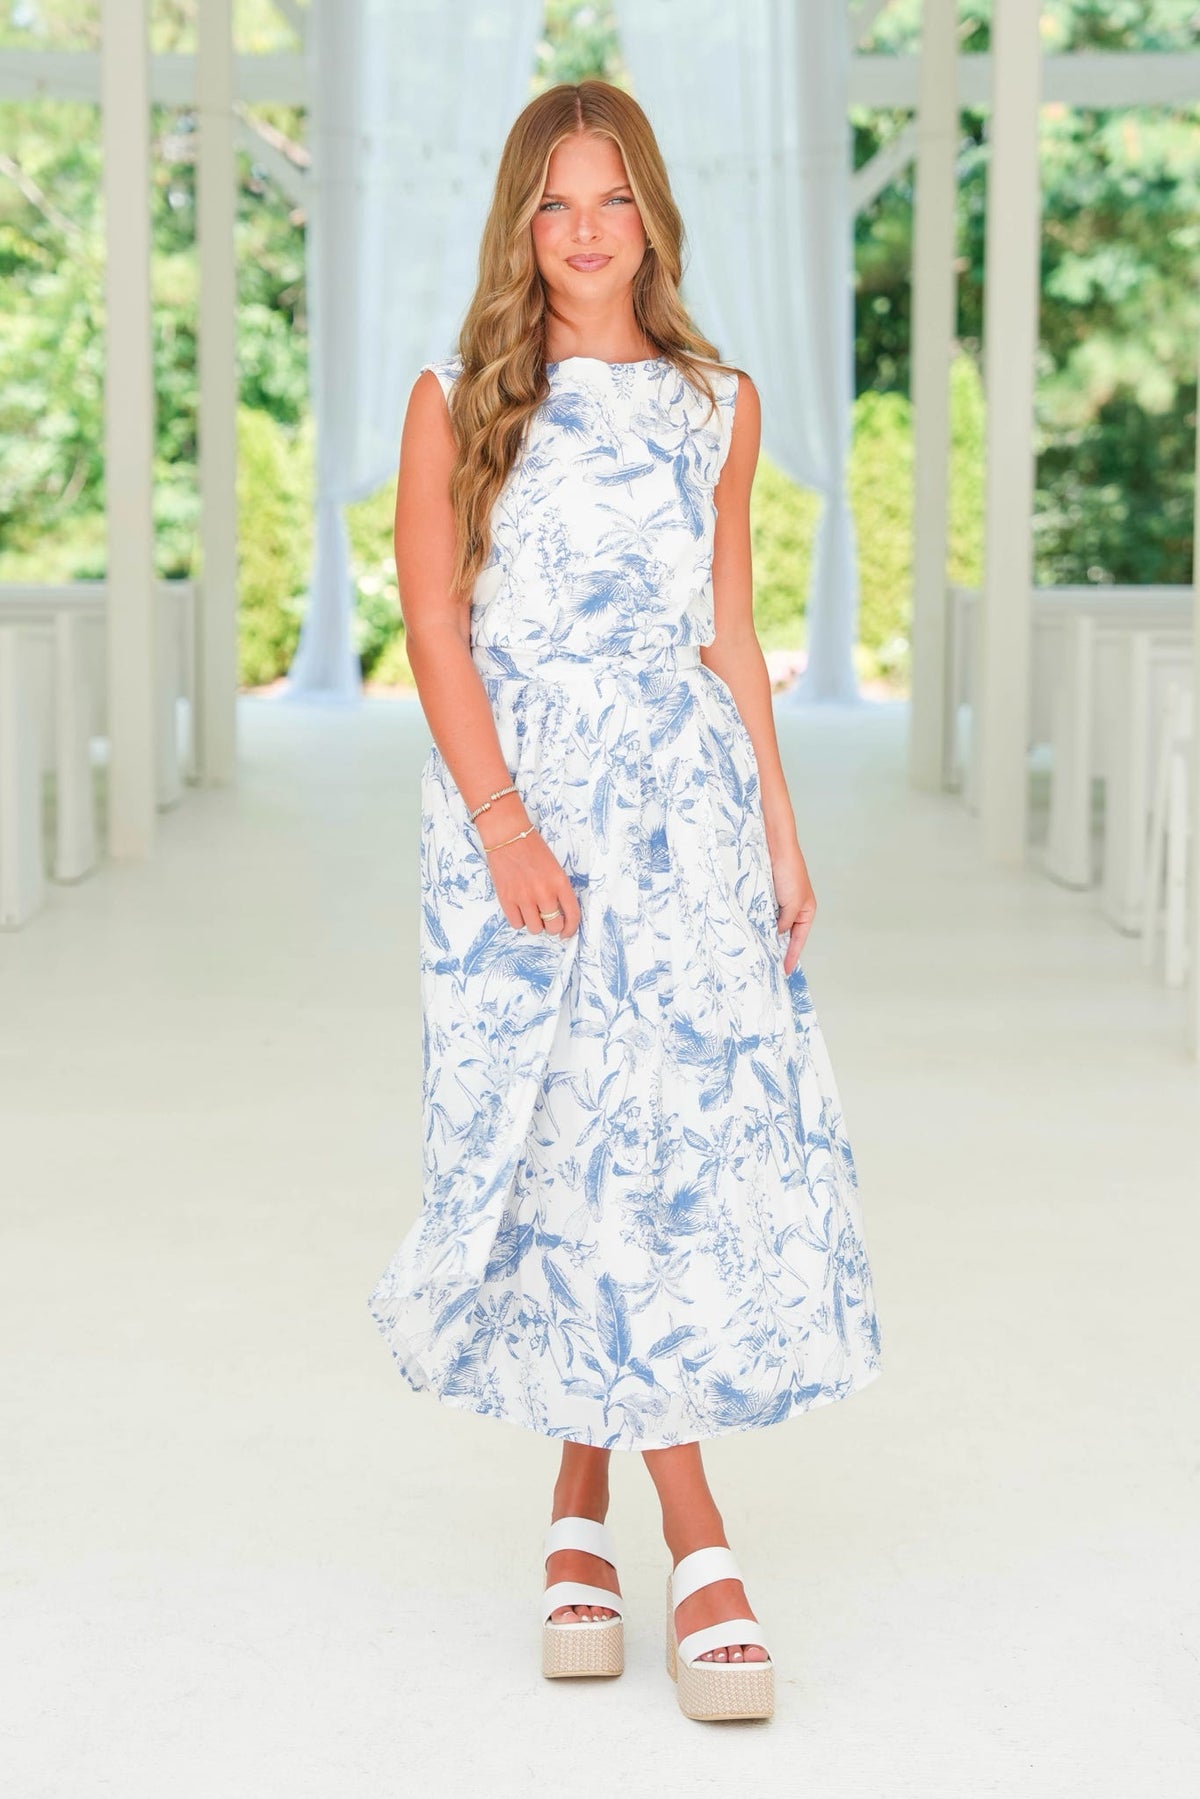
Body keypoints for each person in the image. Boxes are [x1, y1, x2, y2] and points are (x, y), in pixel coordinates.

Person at [367, 79, 882, 1723]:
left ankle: (596, 1509)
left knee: (663, 1147)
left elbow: (731, 629)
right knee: (561, 1141)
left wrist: (779, 828)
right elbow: (435, 626)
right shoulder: (460, 395)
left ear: (652, 214)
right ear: (519, 223)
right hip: (518, 819)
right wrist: (506, 825)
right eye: (554, 204)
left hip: (683, 815)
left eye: (612, 200)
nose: (585, 233)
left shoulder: (716, 404)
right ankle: (685, 1531)